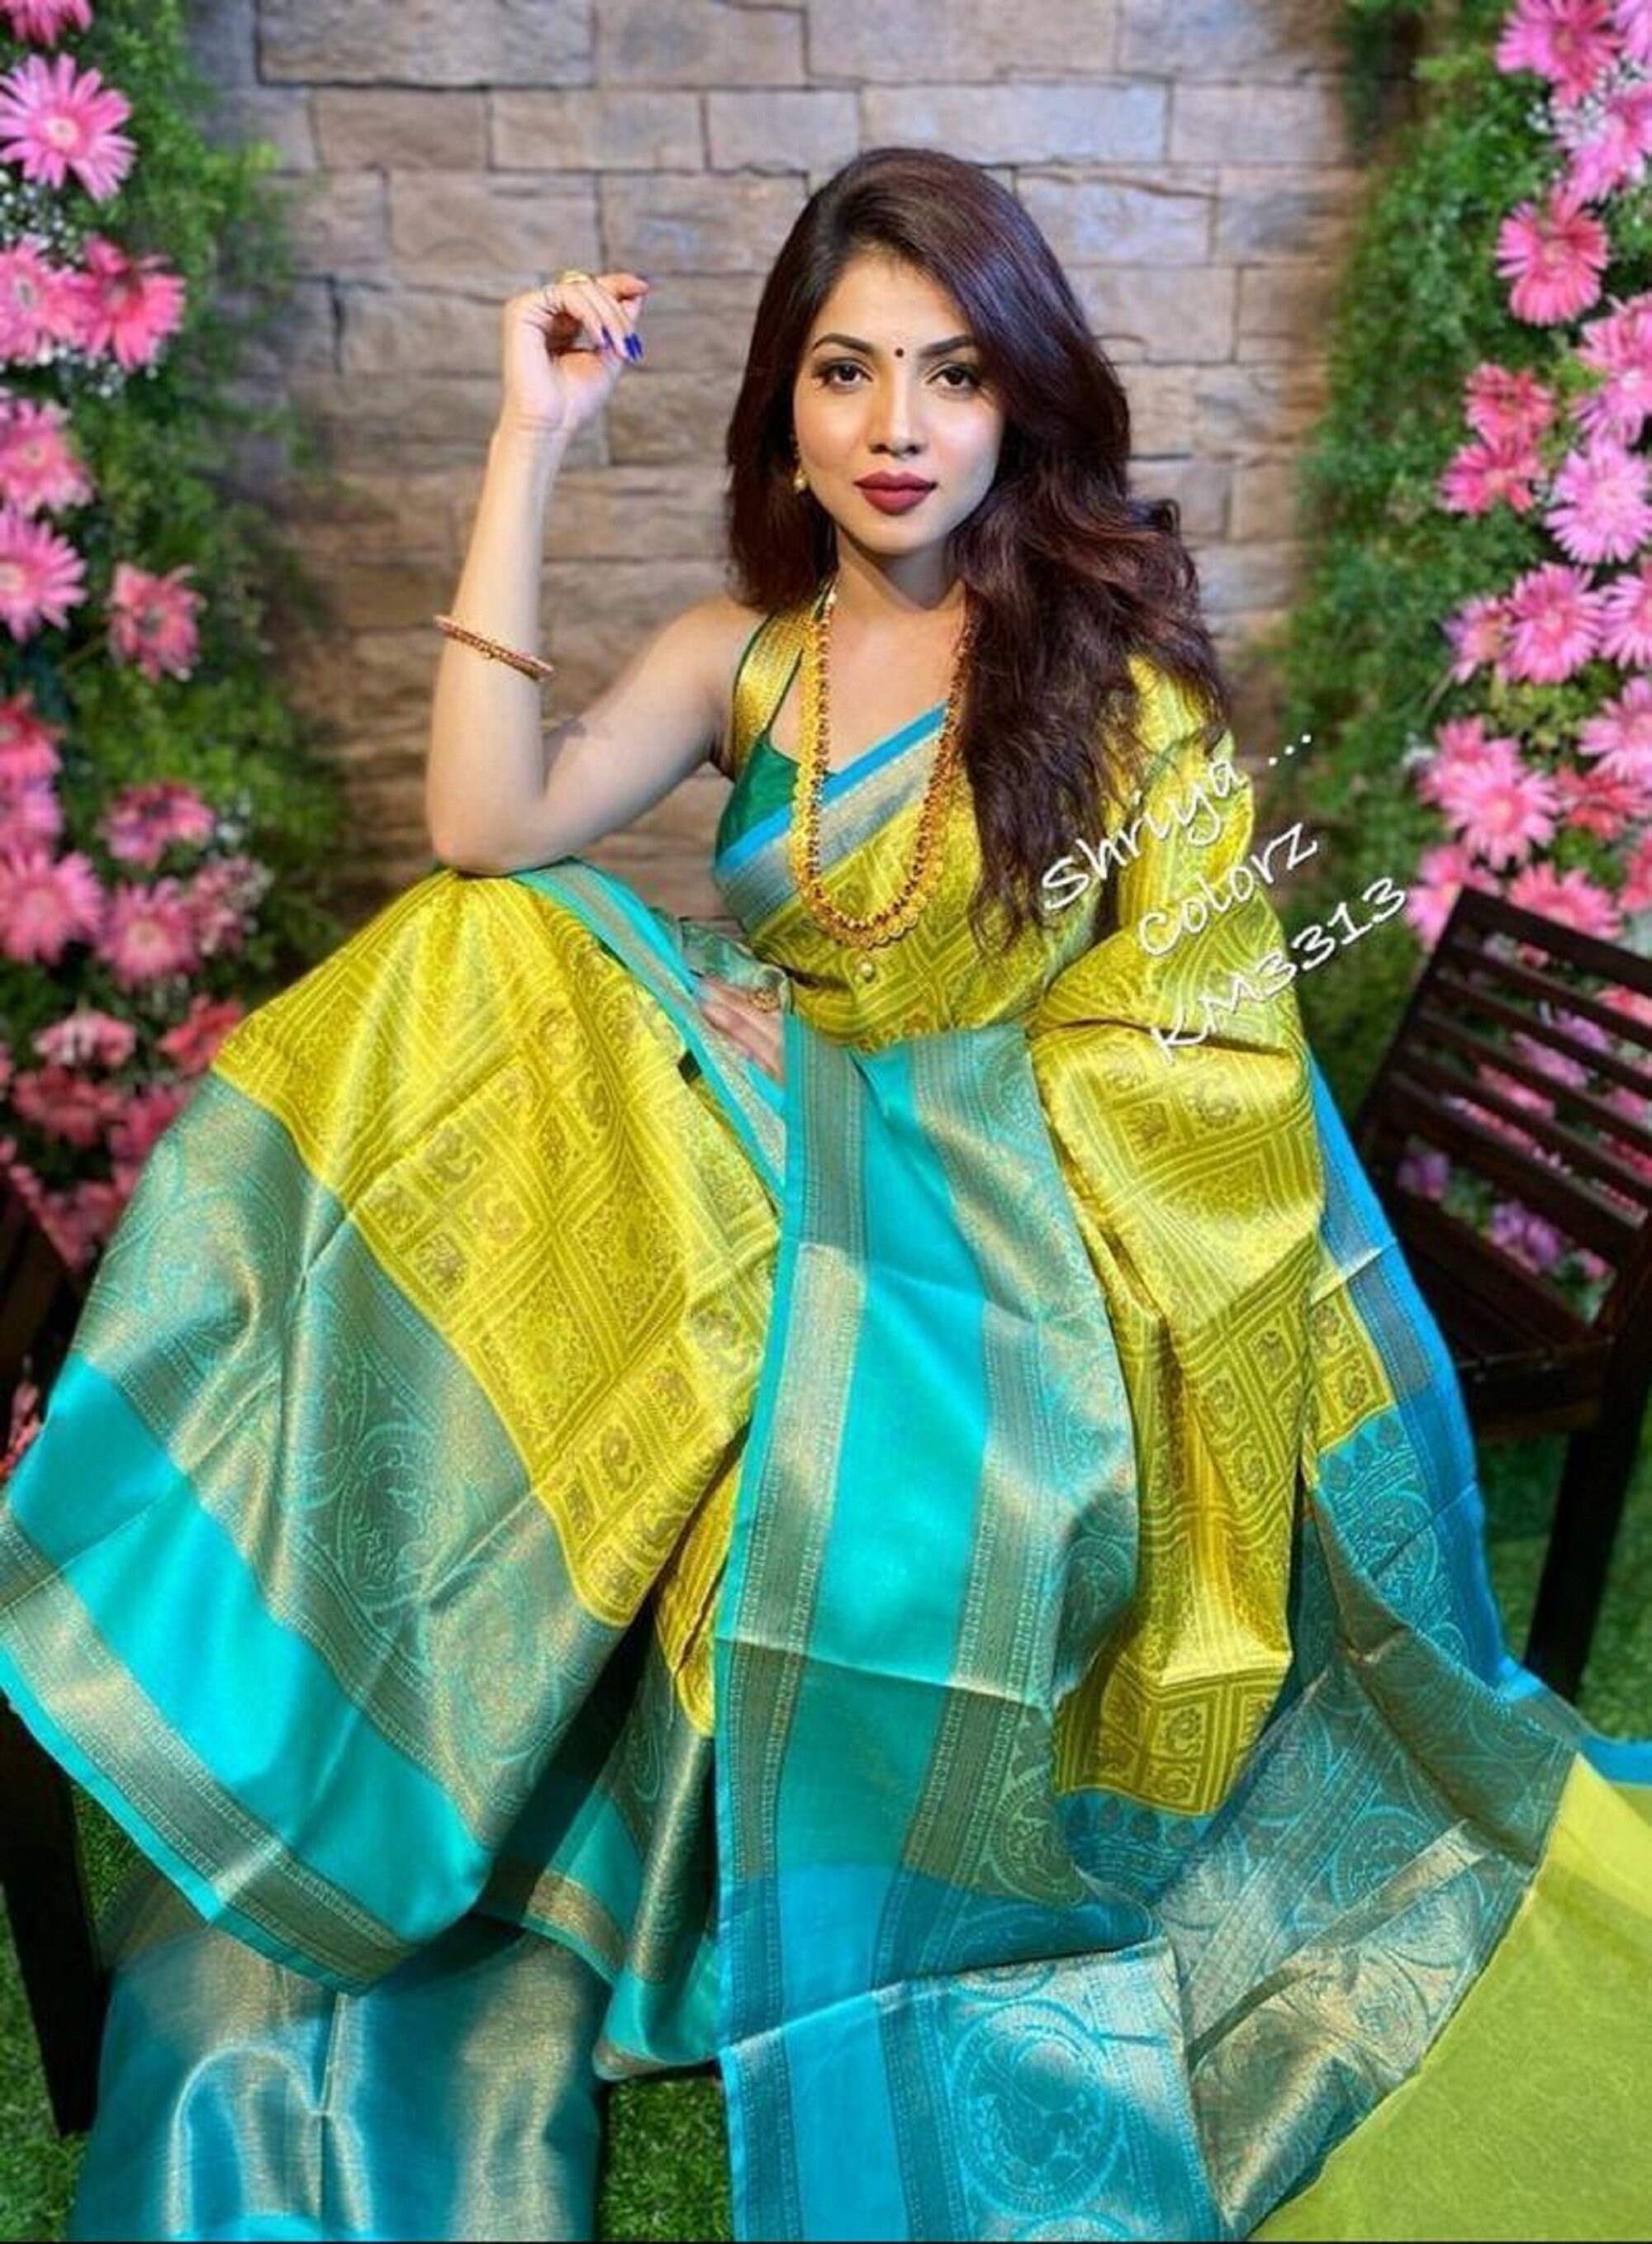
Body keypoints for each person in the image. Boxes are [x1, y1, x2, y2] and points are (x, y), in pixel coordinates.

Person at [2, 145, 1650, 2244]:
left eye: (951, 374)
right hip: (776, 1229)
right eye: (846, 371)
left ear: (1019, 406)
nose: (897, 426)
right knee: (493, 943)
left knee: (620, 1088)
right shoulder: (745, 662)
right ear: (782, 406)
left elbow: (1206, 1070)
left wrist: (878, 1091)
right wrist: (528, 440)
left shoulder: (1115, 696)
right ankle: (324, 1580)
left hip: (1015, 1284)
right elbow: (481, 822)